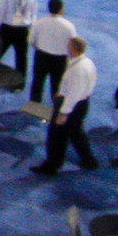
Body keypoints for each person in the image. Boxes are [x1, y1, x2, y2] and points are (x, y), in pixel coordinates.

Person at [32, 37, 99, 174]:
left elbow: (74, 93)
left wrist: (63, 113)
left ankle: (52, 165)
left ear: (73, 48)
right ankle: (89, 161)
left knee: (56, 136)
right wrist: (61, 93)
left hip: (70, 106)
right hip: (81, 103)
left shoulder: (77, 69)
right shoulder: (86, 62)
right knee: (76, 133)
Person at [28, 0, 77, 104]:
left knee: (38, 82)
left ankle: (34, 106)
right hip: (60, 60)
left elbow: (31, 40)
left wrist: (39, 46)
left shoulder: (39, 23)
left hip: (42, 56)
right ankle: (57, 109)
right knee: (57, 85)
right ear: (61, 10)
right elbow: (72, 45)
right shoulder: (69, 26)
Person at [0, 0, 38, 76]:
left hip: (22, 30)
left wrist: (32, 30)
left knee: (22, 58)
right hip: (6, 29)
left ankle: (19, 83)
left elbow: (33, 14)